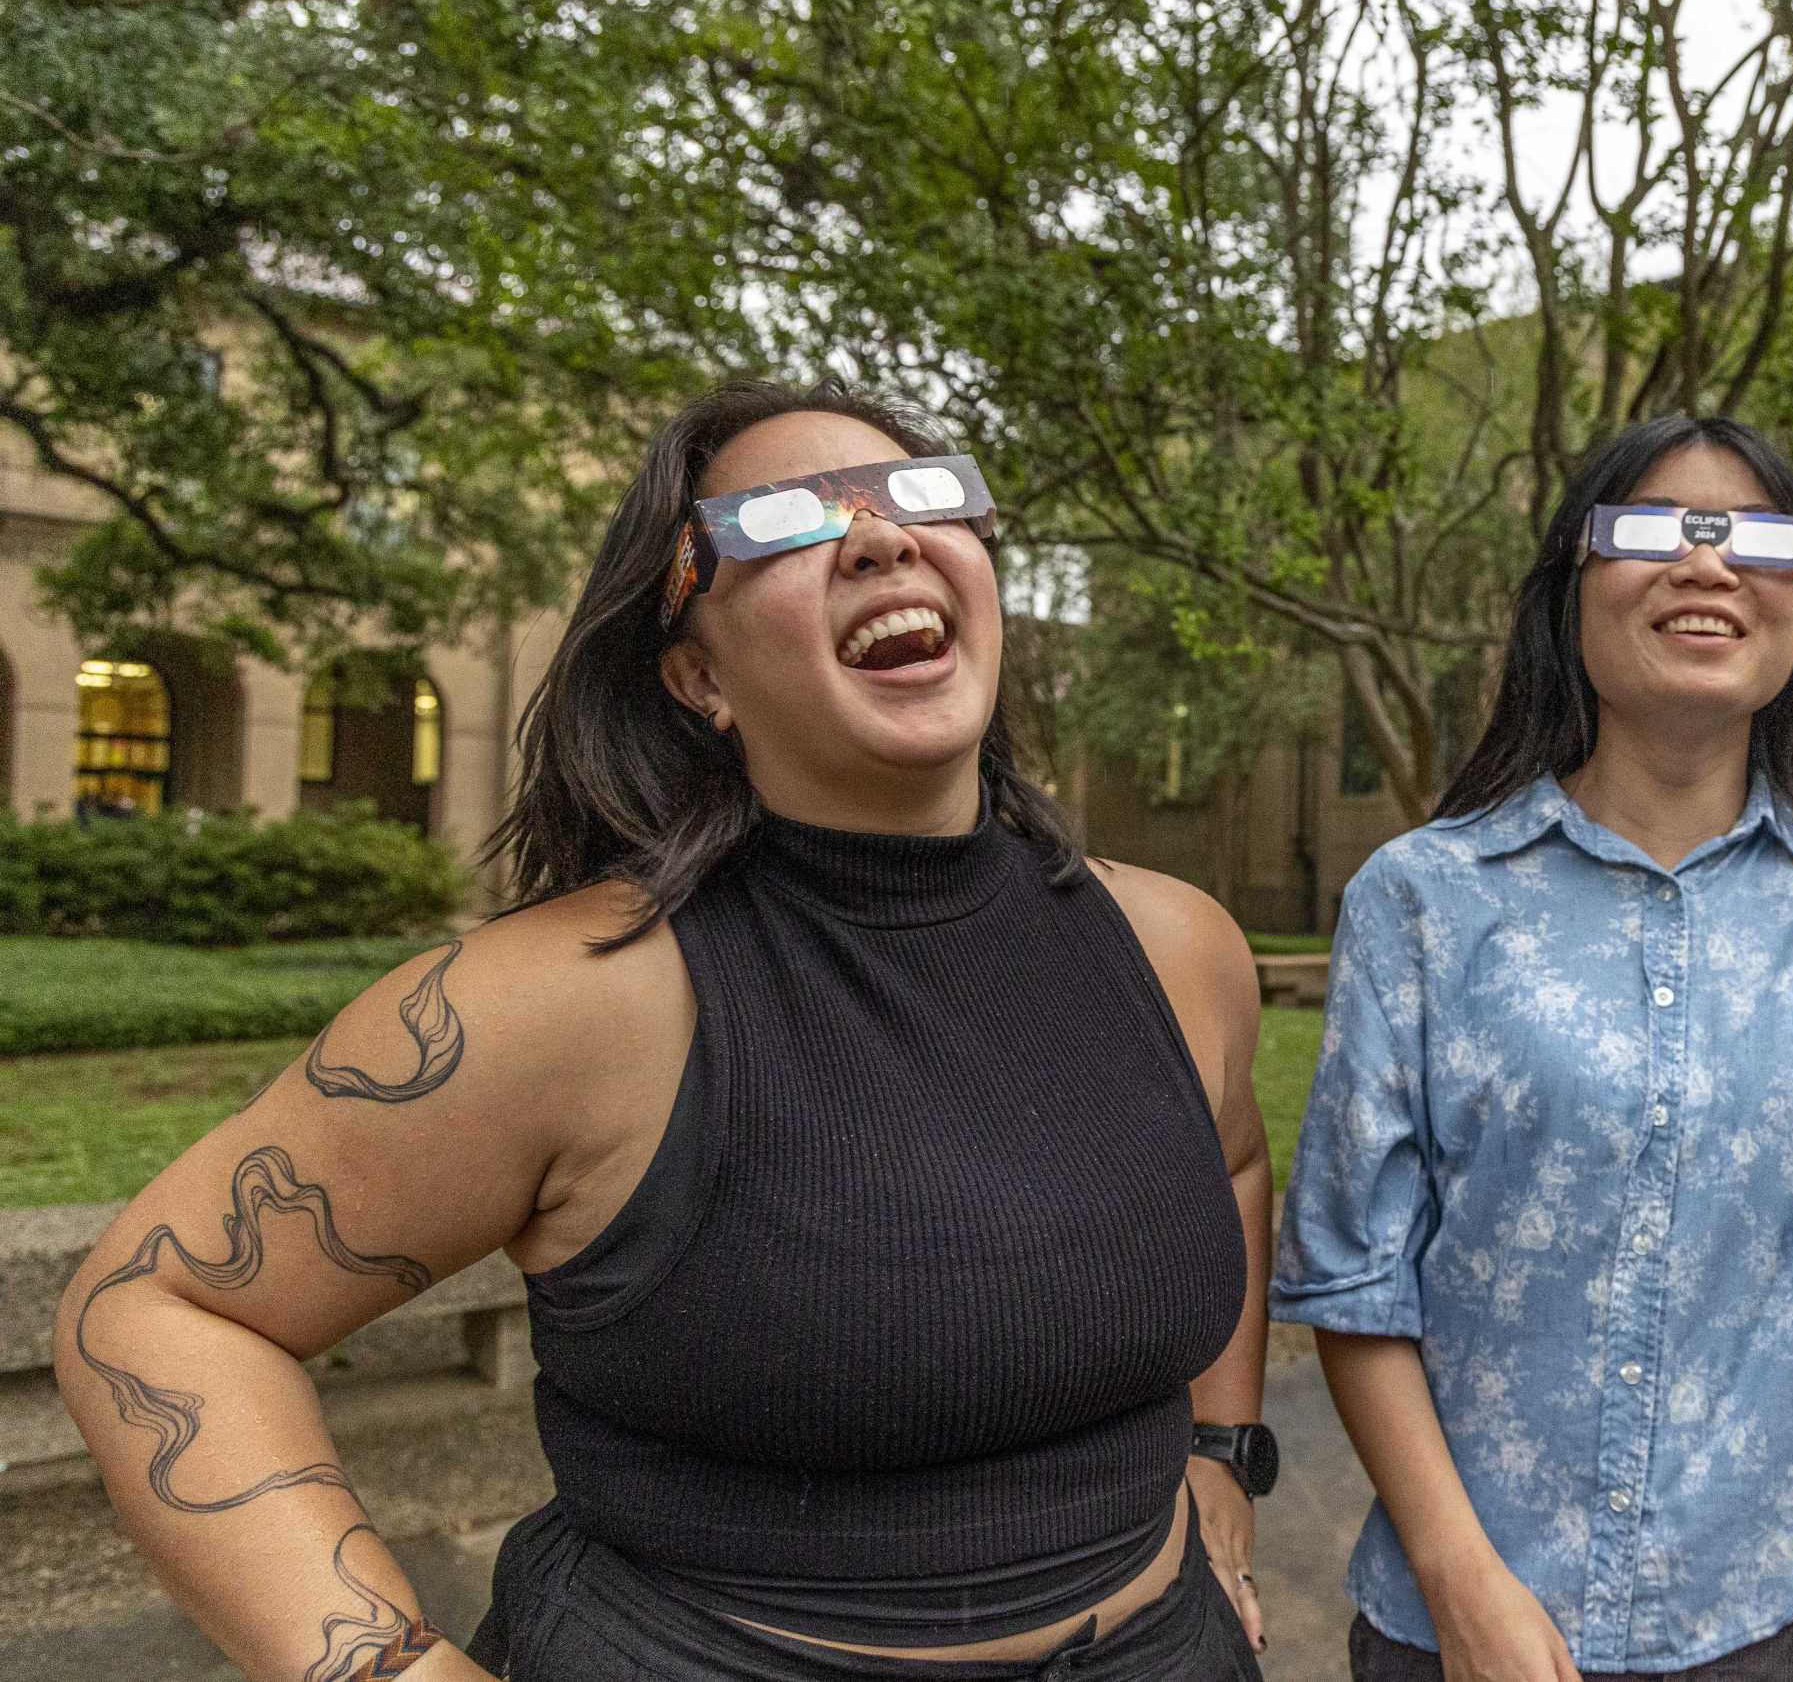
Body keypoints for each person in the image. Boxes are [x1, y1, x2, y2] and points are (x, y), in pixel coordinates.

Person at [54, 378, 1279, 1682]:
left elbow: (1236, 1165)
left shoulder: (1177, 945)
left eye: (923, 494)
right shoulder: (563, 998)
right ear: (698, 674)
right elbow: (156, 1305)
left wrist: (1221, 1456)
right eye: (780, 521)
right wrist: (390, 1663)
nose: (876, 537)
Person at [1271, 415, 1793, 1681]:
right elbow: (1355, 1278)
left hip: (1791, 1613)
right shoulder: (1426, 899)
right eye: (1656, 528)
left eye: (1757, 538)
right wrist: (1462, 1588)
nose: (1706, 563)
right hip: (1477, 1628)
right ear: (1573, 588)